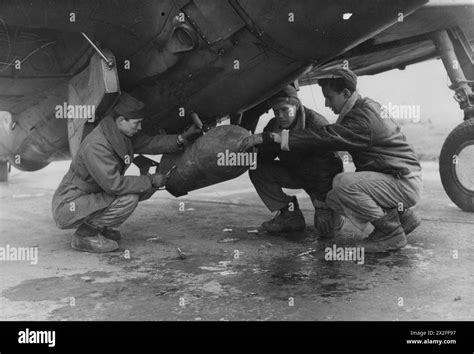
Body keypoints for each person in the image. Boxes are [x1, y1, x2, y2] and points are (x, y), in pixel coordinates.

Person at [265, 68, 423, 252]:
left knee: (342, 183)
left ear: (346, 93)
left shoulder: (361, 119)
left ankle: (389, 233)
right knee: (334, 198)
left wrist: (280, 138)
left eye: (329, 97)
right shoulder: (366, 106)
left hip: (403, 182)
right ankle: (403, 217)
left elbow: (328, 137)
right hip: (398, 178)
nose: (326, 103)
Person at [51, 93, 202, 253]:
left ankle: (100, 226)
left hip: (92, 194)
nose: (140, 127)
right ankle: (85, 235)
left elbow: (150, 143)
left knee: (142, 188)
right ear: (122, 121)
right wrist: (149, 180)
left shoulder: (118, 133)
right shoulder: (97, 146)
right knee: (129, 198)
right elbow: (114, 185)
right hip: (70, 203)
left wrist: (181, 139)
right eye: (136, 123)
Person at [240, 85, 343, 236]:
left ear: (296, 105)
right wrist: (258, 147)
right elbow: (264, 159)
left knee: (327, 231)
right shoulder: (274, 125)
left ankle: (336, 214)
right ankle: (290, 215)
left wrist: (323, 206)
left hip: (320, 180)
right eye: (276, 111)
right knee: (258, 169)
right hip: (295, 173)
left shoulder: (316, 123)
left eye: (284, 110)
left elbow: (329, 168)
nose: (280, 115)